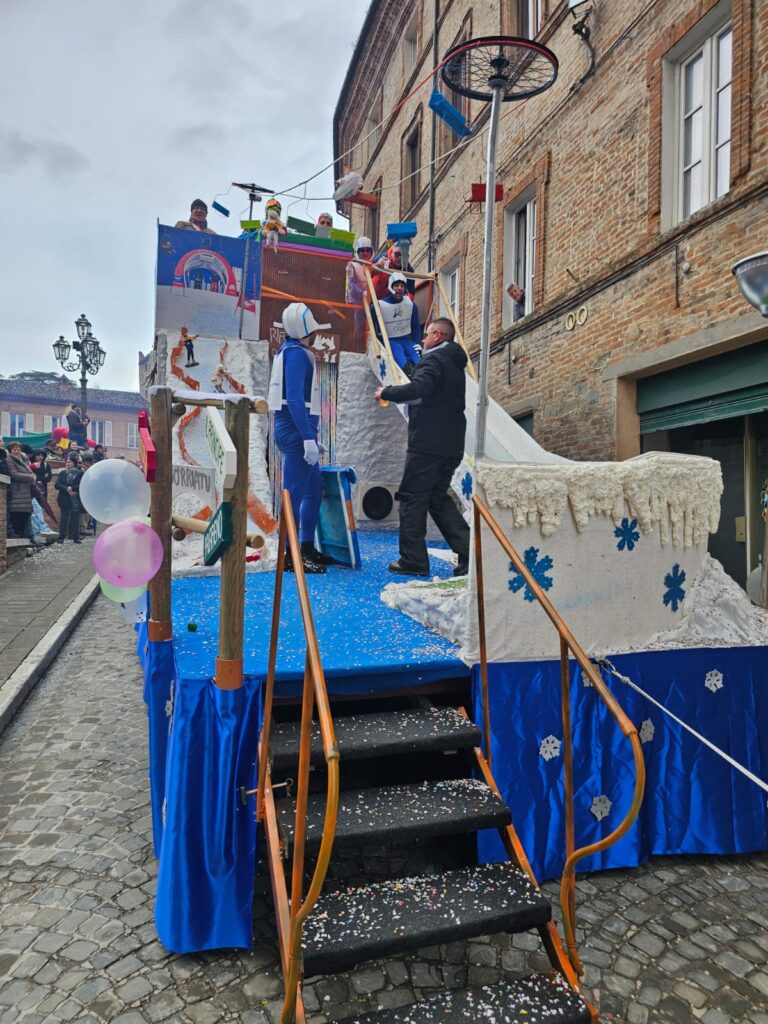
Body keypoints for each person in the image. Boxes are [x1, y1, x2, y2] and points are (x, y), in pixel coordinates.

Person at [374, 317, 470, 578]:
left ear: (438, 336)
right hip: (451, 444)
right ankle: (469, 554)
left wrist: (387, 392)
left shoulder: (434, 360)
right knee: (437, 499)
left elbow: (419, 390)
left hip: (427, 443)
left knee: (412, 499)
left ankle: (413, 561)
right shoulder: (453, 363)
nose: (422, 339)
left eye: (426, 334)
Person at [268, 302, 333, 574]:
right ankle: (290, 555)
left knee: (313, 488)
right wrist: (307, 437)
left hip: (297, 431)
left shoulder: (292, 351)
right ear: (307, 329)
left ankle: (305, 546)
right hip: (296, 432)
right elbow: (294, 398)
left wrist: (310, 437)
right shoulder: (295, 354)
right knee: (293, 496)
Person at [370, 273, 421, 373]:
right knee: (398, 352)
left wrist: (417, 343)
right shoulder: (378, 306)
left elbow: (416, 327)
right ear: (390, 287)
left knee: (415, 355)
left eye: (402, 286)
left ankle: (421, 372)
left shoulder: (411, 305)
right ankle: (407, 371)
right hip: (390, 340)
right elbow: (372, 328)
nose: (399, 288)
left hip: (406, 339)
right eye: (396, 285)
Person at [346, 236, 375, 341]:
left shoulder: (371, 265)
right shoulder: (351, 265)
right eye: (362, 250)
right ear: (357, 252)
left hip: (367, 301)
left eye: (368, 250)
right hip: (355, 302)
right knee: (357, 326)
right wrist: (362, 293)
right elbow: (351, 283)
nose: (365, 253)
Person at [6, 442, 36, 541]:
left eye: (18, 449)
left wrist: (33, 476)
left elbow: (29, 471)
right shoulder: (9, 460)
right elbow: (14, 474)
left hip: (26, 490)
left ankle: (24, 534)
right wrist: (30, 477)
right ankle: (18, 533)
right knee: (17, 513)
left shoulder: (23, 459)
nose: (16, 451)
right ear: (10, 451)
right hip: (17, 490)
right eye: (14, 449)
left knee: (25, 513)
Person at [55, 455, 83, 544]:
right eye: (66, 462)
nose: (67, 463)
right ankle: (61, 537)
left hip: (75, 498)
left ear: (74, 463)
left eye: (69, 462)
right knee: (64, 518)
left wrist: (73, 488)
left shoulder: (79, 473)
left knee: (75, 518)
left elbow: (82, 484)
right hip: (64, 497)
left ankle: (75, 537)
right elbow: (57, 484)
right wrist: (67, 488)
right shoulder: (62, 473)